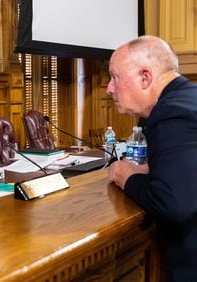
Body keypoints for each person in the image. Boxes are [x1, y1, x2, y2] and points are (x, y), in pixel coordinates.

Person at [106, 35, 197, 281]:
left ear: (145, 77)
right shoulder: (189, 97)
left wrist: (126, 176)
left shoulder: (171, 113)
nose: (109, 88)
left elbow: (173, 203)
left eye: (115, 77)